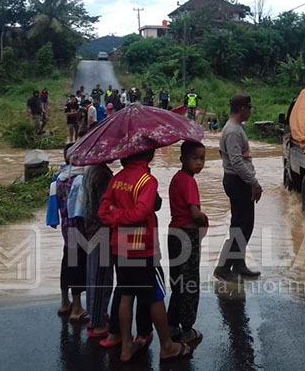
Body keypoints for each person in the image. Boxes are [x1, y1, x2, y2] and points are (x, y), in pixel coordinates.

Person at [98, 150, 192, 363]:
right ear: (148, 155)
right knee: (154, 295)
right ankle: (167, 346)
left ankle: (126, 347)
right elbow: (141, 212)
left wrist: (117, 215)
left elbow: (104, 212)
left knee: (127, 293)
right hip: (141, 248)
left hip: (120, 246)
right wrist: (126, 216)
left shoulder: (117, 179)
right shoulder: (147, 181)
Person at [214, 94, 262, 282]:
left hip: (238, 181)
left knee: (242, 224)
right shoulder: (233, 131)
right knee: (242, 226)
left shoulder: (235, 128)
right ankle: (224, 267)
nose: (250, 112)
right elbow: (236, 161)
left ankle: (239, 264)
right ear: (243, 109)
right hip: (237, 181)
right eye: (249, 108)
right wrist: (253, 182)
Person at [167, 141, 207, 346]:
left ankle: (172, 323)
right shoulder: (189, 182)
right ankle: (187, 330)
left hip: (173, 233)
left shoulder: (176, 178)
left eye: (202, 159)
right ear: (183, 159)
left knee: (177, 281)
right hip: (187, 235)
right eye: (195, 158)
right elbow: (194, 213)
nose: (199, 163)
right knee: (190, 283)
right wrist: (204, 219)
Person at [46, 144, 89, 323]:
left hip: (66, 229)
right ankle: (77, 308)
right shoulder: (80, 179)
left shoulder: (59, 180)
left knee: (67, 263)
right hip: (80, 230)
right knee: (77, 266)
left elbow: (53, 209)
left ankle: (65, 302)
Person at [82, 163, 114, 338]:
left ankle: (95, 315)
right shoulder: (102, 175)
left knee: (94, 274)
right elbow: (106, 207)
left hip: (90, 228)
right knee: (103, 278)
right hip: (102, 230)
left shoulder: (90, 170)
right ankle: (98, 322)